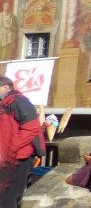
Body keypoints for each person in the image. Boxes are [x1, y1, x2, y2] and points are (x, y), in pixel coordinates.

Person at [0, 75, 43, 208]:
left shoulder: (19, 101)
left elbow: (31, 129)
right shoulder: (5, 103)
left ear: (6, 87)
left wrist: (10, 149)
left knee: (8, 196)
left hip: (17, 157)